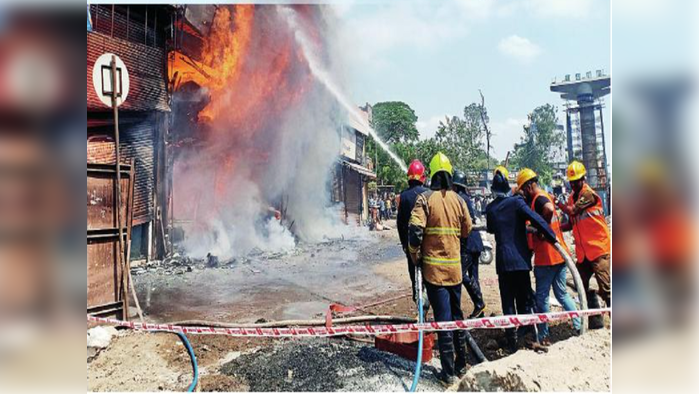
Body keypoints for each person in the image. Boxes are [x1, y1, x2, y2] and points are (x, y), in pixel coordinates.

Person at [408, 152, 472, 386]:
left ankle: (448, 373)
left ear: (432, 175)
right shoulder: (459, 200)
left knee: (443, 321)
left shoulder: (425, 199)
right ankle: (461, 364)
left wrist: (415, 255)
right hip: (455, 272)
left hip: (434, 274)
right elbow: (467, 229)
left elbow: (414, 232)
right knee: (457, 318)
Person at [486, 168, 558, 352]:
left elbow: (491, 229)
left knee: (508, 303)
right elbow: (536, 219)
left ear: (493, 190)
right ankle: (527, 337)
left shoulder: (491, 208)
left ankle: (512, 343)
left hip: (503, 263)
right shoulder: (517, 203)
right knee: (525, 300)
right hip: (520, 261)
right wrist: (551, 236)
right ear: (509, 188)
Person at [517, 168, 581, 345]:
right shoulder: (544, 195)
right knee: (562, 294)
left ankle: (543, 335)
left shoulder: (539, 199)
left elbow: (549, 209)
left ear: (530, 185)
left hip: (546, 258)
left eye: (523, 189)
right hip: (559, 255)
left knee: (542, 297)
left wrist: (540, 229)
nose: (523, 193)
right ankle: (579, 325)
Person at [557, 161, 611, 308]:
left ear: (583, 179)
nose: (573, 185)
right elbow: (571, 223)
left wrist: (557, 203)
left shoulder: (588, 195)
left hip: (598, 249)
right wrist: (557, 228)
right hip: (583, 253)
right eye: (571, 182)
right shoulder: (571, 198)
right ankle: (595, 315)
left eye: (576, 182)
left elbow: (573, 211)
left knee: (607, 290)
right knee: (580, 286)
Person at [452, 170, 487, 318]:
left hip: (468, 243)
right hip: (475, 242)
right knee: (474, 277)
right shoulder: (465, 197)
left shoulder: (459, 199)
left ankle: (479, 303)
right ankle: (480, 310)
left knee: (460, 274)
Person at [397, 160, 429, 305]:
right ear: (422, 177)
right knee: (429, 276)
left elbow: (400, 224)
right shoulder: (429, 194)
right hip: (428, 245)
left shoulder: (403, 196)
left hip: (411, 245)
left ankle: (419, 304)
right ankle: (429, 303)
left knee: (414, 275)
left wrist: (405, 244)